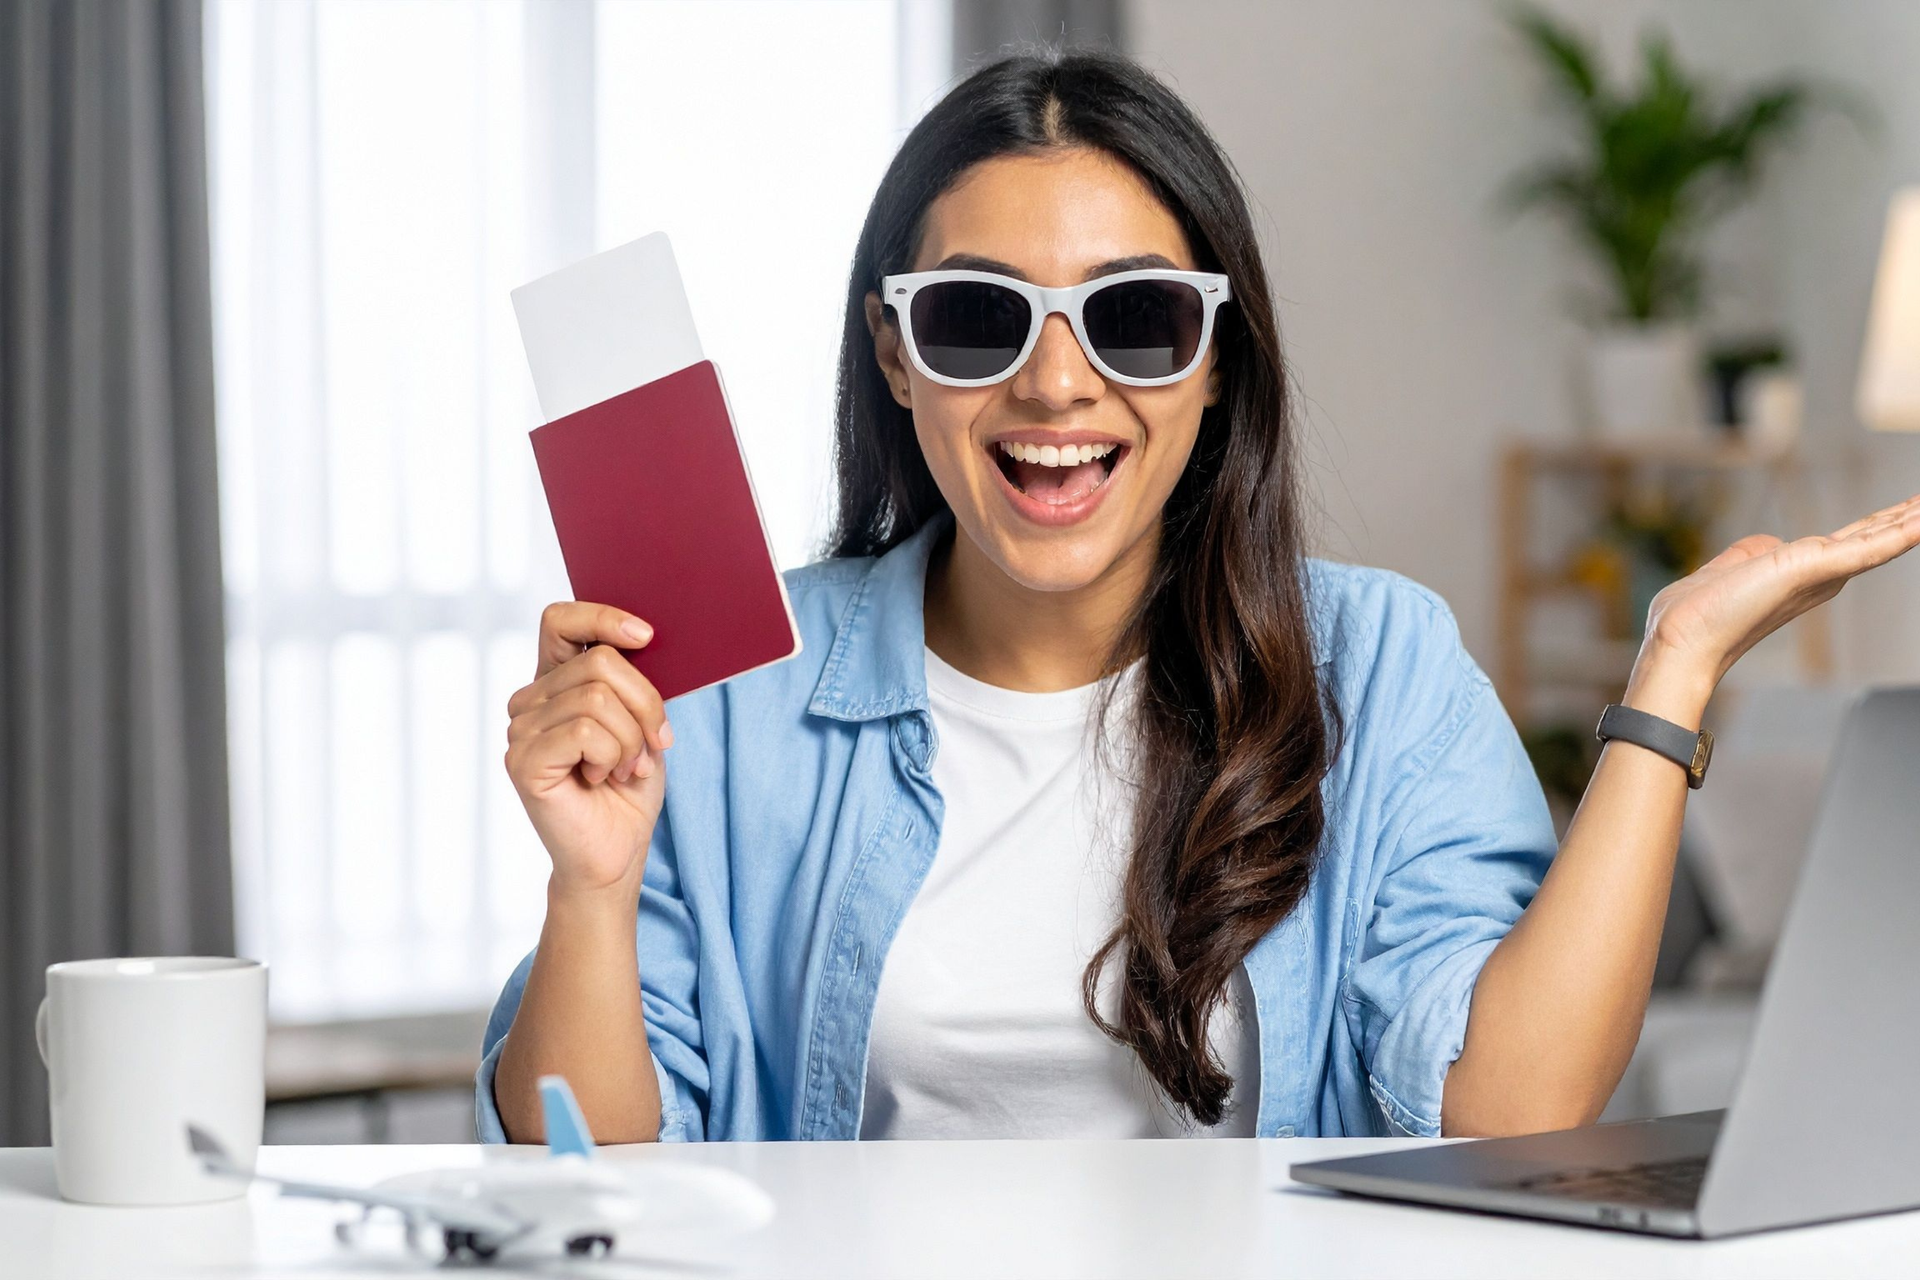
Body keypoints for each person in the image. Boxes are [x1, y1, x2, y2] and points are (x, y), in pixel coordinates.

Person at [477, 48, 1920, 1145]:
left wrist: (1669, 675)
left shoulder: (1380, 664)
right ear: (896, 353)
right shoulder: (728, 692)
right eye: (978, 317)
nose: (1056, 385)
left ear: (1216, 360)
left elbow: (1515, 1113)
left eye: (1136, 318)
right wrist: (590, 893)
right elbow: (589, 1166)